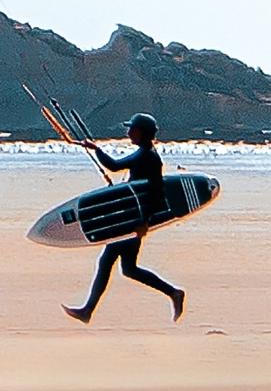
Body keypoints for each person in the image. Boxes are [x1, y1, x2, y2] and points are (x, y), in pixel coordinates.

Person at [65, 113, 187, 323]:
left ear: (142, 133)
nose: (129, 132)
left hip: (133, 221)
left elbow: (120, 170)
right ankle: (174, 293)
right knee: (129, 269)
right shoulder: (146, 154)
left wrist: (144, 222)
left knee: (107, 262)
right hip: (133, 218)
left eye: (132, 129)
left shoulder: (146, 156)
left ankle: (87, 311)